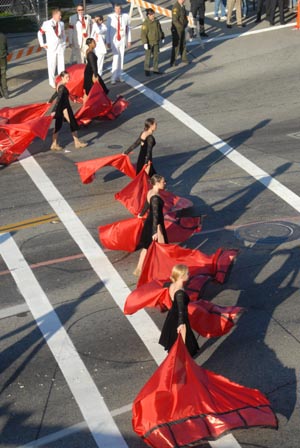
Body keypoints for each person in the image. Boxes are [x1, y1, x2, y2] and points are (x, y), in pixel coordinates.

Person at [159, 264, 199, 357]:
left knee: (175, 339)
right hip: (179, 317)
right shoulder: (180, 292)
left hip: (172, 314)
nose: (189, 275)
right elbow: (181, 309)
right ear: (181, 277)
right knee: (183, 341)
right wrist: (181, 323)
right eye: (187, 273)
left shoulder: (172, 285)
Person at [134, 174, 168, 276]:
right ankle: (163, 269)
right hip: (156, 225)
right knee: (163, 247)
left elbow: (146, 204)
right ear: (157, 183)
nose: (165, 183)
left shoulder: (150, 193)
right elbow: (156, 215)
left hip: (149, 223)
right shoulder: (156, 198)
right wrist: (155, 231)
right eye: (163, 182)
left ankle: (139, 268)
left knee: (146, 247)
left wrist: (141, 214)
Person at [49, 71, 87, 151]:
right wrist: (54, 110)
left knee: (58, 125)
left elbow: (56, 93)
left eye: (69, 77)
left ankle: (54, 144)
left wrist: (49, 101)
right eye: (66, 77)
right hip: (64, 107)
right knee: (72, 123)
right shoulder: (62, 87)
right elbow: (59, 99)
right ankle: (77, 143)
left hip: (61, 108)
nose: (68, 78)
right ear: (62, 78)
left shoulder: (59, 84)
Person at [38, 8, 66, 89]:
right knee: (52, 65)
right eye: (59, 15)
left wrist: (64, 43)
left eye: (60, 15)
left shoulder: (61, 24)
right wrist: (42, 44)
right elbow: (39, 33)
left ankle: (62, 80)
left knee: (61, 65)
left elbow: (63, 34)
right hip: (51, 48)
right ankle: (52, 82)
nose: (60, 17)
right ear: (54, 15)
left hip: (60, 47)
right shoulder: (46, 24)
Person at [106, 4, 131, 84]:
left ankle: (120, 75)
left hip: (122, 39)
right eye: (116, 9)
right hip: (114, 40)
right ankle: (113, 77)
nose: (118, 10)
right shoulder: (110, 17)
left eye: (119, 9)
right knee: (116, 58)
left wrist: (129, 40)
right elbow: (108, 30)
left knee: (121, 58)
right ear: (114, 9)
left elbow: (128, 28)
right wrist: (108, 41)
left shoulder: (125, 16)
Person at [141, 9, 165, 76]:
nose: (153, 16)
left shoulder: (156, 21)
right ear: (149, 15)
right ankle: (146, 70)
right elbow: (143, 34)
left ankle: (155, 69)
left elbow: (160, 29)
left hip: (156, 41)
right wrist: (145, 43)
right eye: (152, 14)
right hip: (149, 42)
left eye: (154, 14)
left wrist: (162, 36)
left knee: (156, 56)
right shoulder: (145, 23)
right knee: (148, 57)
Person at [170, 0, 189, 67]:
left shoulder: (182, 6)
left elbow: (184, 16)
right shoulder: (176, 7)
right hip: (177, 29)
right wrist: (181, 27)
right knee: (176, 45)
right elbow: (175, 20)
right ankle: (173, 61)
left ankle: (184, 58)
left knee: (183, 44)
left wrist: (186, 23)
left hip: (182, 28)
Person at [0, 32, 8, 99]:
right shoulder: (3, 36)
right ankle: (5, 92)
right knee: (3, 75)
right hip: (2, 58)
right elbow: (6, 46)